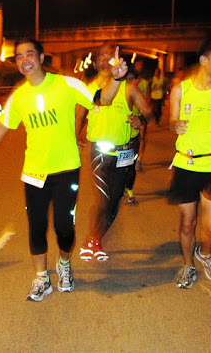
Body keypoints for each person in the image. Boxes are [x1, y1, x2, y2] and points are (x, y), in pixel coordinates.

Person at [0, 38, 127, 301]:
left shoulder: (66, 84)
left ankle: (64, 264)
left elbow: (102, 99)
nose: (24, 60)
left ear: (41, 58)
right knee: (36, 227)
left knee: (64, 228)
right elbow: (0, 128)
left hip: (66, 170)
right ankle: (42, 278)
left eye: (29, 54)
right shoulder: (19, 96)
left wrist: (117, 78)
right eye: (19, 56)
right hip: (34, 173)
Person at [167, 33, 211, 288]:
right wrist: (175, 125)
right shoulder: (181, 89)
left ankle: (205, 254)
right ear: (203, 60)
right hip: (186, 163)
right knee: (188, 223)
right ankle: (188, 265)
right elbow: (171, 120)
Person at [77, 42, 151, 261]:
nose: (105, 59)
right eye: (101, 56)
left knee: (114, 200)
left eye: (110, 55)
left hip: (124, 153)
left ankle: (95, 239)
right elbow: (79, 116)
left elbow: (148, 111)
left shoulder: (129, 88)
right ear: (96, 62)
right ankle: (93, 239)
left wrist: (141, 119)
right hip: (99, 151)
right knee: (103, 199)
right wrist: (75, 137)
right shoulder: (89, 88)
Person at [124, 58, 149, 202]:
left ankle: (129, 189)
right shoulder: (117, 89)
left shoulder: (142, 85)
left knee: (131, 166)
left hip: (134, 132)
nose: (130, 83)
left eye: (132, 80)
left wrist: (141, 119)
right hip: (119, 135)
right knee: (119, 166)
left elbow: (147, 108)